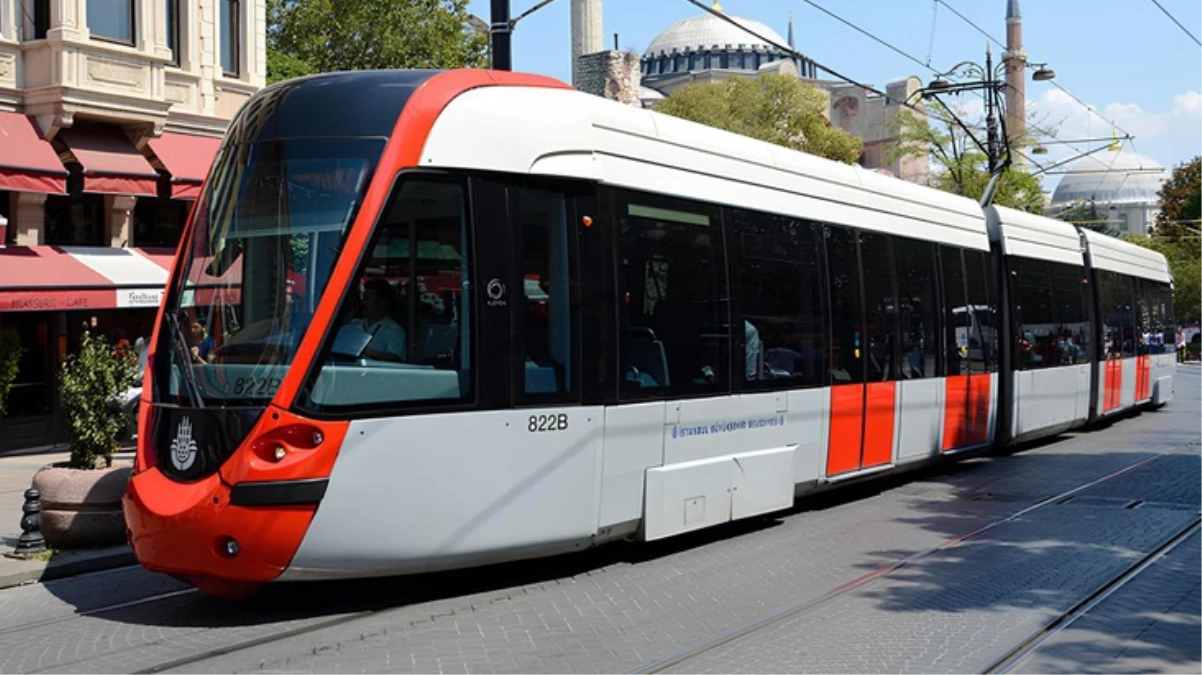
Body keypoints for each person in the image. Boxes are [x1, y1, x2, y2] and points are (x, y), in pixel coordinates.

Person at [355, 278, 407, 362]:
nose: (363, 303)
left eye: (367, 299)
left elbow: (396, 358)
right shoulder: (354, 324)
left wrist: (370, 353)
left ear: (382, 302)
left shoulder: (394, 330)